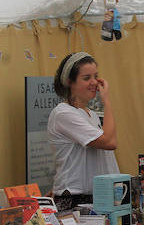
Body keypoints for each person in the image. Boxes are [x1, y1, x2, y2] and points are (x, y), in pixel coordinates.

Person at [47, 52, 119, 211]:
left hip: (97, 195)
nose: (94, 82)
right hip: (76, 198)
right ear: (69, 82)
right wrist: (106, 102)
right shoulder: (64, 114)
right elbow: (110, 142)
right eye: (87, 78)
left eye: (96, 76)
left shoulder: (91, 114)